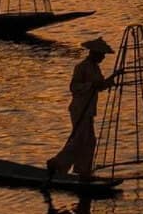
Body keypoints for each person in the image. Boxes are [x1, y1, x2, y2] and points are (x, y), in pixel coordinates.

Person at [47, 37, 120, 181]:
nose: (103, 57)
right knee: (80, 139)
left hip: (88, 110)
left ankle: (83, 170)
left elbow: (100, 86)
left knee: (89, 140)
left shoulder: (95, 68)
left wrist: (113, 78)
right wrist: (89, 85)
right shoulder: (81, 67)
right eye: (101, 55)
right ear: (94, 53)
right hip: (80, 109)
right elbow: (74, 87)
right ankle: (57, 163)